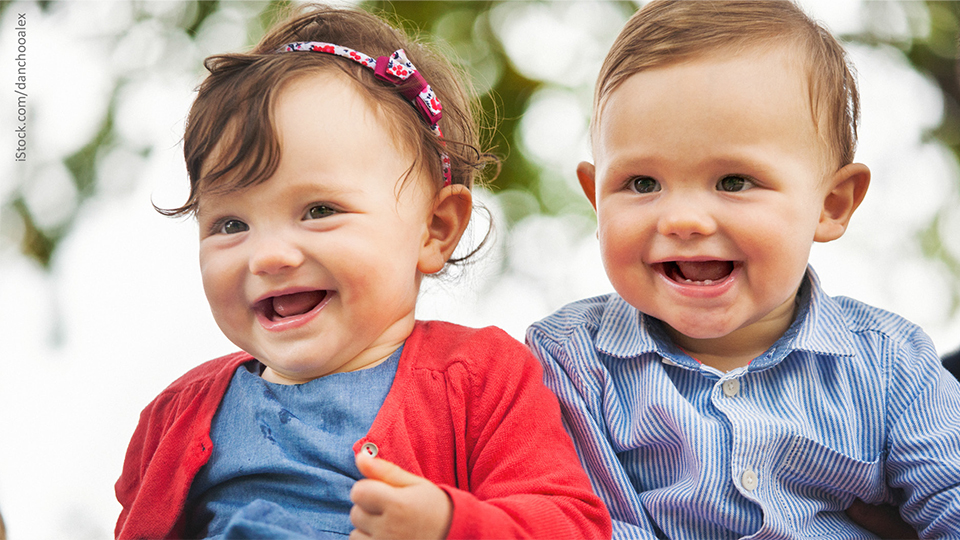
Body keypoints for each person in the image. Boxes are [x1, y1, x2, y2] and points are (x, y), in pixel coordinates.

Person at [114, 5, 611, 540]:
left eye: (320, 211)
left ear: (434, 230)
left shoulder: (479, 380)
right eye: (230, 223)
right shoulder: (173, 420)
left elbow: (571, 524)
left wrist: (447, 525)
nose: (268, 257)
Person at [526, 1, 960, 538]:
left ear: (831, 204)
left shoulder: (892, 365)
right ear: (596, 199)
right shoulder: (568, 362)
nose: (682, 219)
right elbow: (581, 523)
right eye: (641, 184)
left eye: (733, 181)